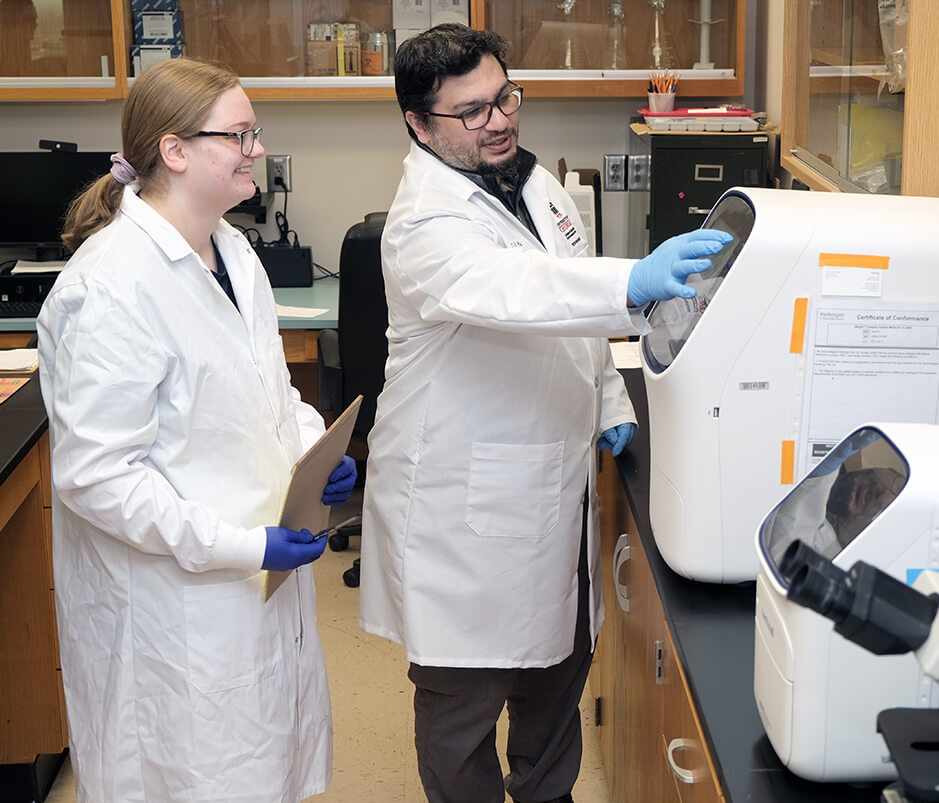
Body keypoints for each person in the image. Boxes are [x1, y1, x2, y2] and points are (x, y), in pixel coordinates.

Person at [358, 23, 732, 803]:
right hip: (464, 506)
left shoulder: (533, 183)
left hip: (553, 477)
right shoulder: (424, 224)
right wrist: (633, 281)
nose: (498, 120)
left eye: (504, 98)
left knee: (557, 677)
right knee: (463, 708)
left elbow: (569, 308)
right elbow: (519, 293)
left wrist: (605, 395)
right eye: (471, 112)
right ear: (419, 125)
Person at [36, 57, 356, 802]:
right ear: (174, 152)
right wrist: (243, 544)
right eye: (239, 135)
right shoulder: (110, 287)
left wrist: (313, 447)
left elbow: (269, 390)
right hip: (174, 605)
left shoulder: (233, 252)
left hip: (253, 584)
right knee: (192, 777)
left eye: (256, 132)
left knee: (259, 767)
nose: (257, 149)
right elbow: (97, 479)